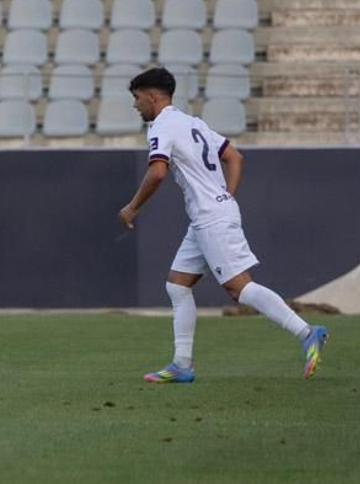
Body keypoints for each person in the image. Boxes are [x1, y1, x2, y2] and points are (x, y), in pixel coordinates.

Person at [118, 66, 328, 382]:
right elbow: (235, 157)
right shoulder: (194, 123)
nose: (135, 105)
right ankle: (182, 365)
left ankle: (307, 331)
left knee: (238, 288)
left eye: (136, 98)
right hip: (207, 217)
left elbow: (158, 172)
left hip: (210, 218)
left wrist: (132, 207)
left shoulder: (161, 126)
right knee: (177, 285)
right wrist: (225, 196)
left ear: (152, 96)